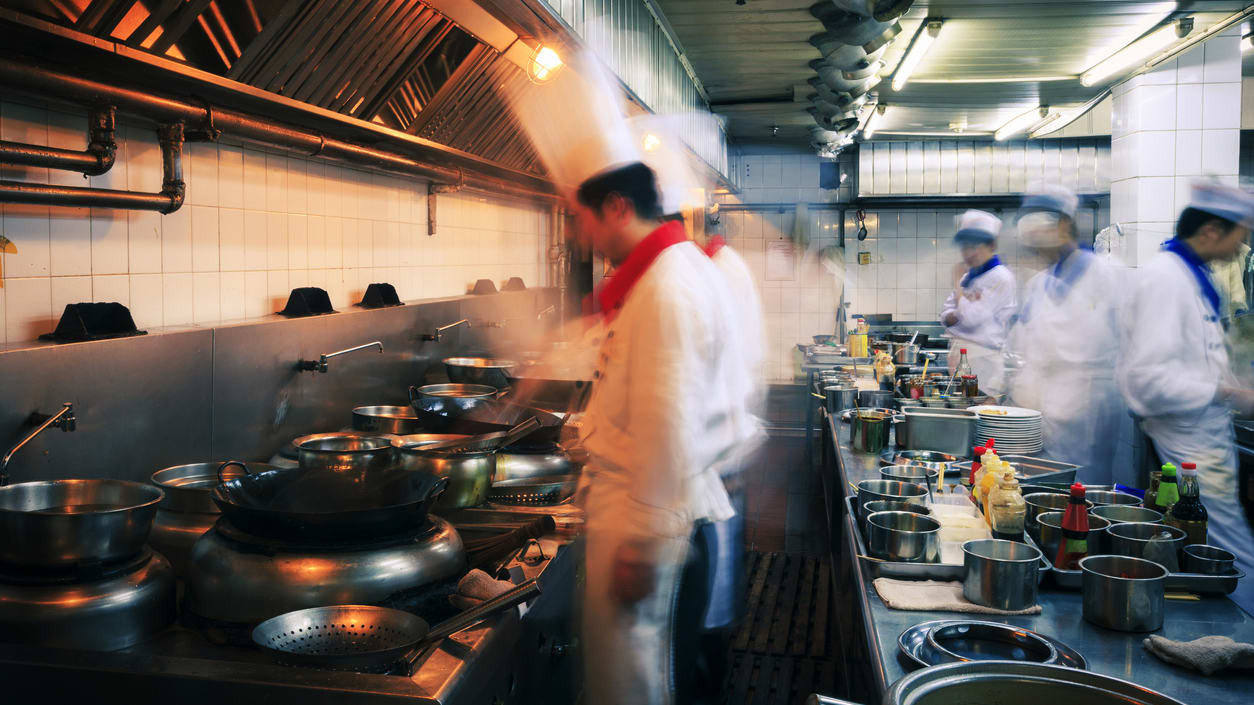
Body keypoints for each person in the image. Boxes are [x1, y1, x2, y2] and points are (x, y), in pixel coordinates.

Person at [1118, 181, 1254, 616]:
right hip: (1190, 443)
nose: (1242, 246)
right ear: (1212, 230)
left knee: (1224, 549)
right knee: (1228, 553)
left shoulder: (1191, 276)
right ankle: (1237, 650)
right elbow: (1148, 381)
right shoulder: (1165, 278)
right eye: (1240, 234)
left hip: (1205, 437)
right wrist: (1229, 391)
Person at [1007, 185, 1127, 484]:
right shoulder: (1040, 284)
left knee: (1081, 498)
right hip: (1041, 420)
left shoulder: (1107, 276)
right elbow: (1025, 349)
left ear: (1063, 226)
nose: (1034, 246)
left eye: (1039, 235)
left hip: (1086, 419)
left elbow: (1121, 349)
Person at [940, 209, 1017, 395]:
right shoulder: (970, 276)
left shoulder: (1000, 277)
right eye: (964, 247)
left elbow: (971, 318)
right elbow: (945, 315)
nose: (968, 253)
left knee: (979, 416)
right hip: (962, 361)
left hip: (983, 366)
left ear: (991, 245)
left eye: (974, 247)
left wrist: (958, 287)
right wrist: (960, 309)